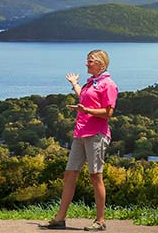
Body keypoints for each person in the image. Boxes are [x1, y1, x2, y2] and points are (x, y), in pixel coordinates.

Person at [45, 50, 118, 232]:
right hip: (81, 133)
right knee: (70, 174)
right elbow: (83, 100)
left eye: (90, 61)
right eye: (87, 60)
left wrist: (87, 111)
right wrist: (75, 84)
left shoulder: (108, 85)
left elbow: (108, 113)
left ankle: (100, 220)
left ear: (101, 64)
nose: (87, 64)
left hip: (96, 135)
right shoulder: (91, 83)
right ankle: (60, 218)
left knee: (95, 176)